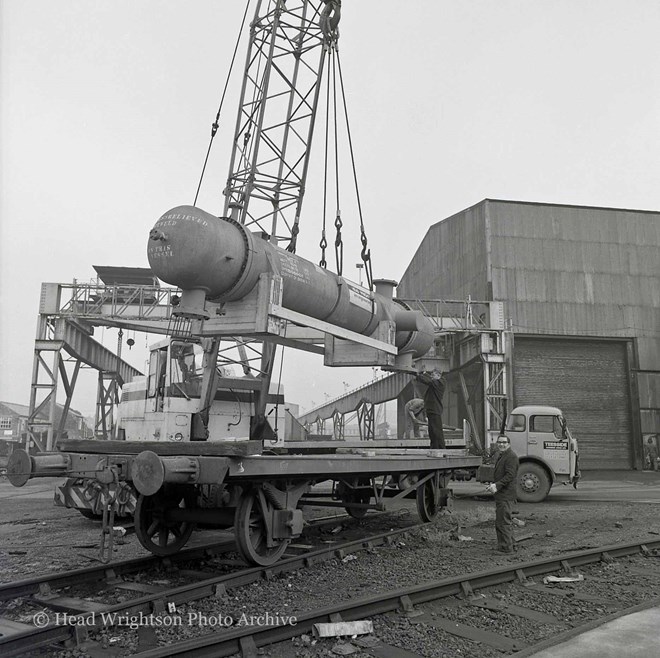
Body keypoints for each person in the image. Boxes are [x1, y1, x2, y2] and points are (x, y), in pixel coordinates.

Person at [486, 435, 519, 553]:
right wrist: (494, 484)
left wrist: (497, 485)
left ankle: (505, 548)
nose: (501, 444)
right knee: (504, 521)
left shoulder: (511, 457)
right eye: (499, 442)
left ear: (509, 444)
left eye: (504, 442)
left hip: (506, 494)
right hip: (503, 494)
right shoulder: (503, 455)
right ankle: (511, 545)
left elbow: (510, 475)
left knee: (502, 522)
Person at [415, 368, 446, 449]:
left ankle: (442, 449)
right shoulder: (435, 383)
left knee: (437, 432)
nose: (432, 376)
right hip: (431, 410)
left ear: (439, 375)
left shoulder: (440, 382)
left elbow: (428, 381)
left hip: (435, 410)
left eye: (433, 375)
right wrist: (424, 374)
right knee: (432, 432)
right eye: (431, 375)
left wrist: (418, 375)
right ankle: (434, 448)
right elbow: (430, 380)